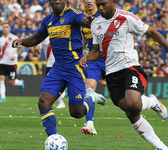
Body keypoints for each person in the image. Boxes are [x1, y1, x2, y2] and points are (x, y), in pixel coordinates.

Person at [79, 0, 168, 149]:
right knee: (131, 112)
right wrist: (86, 57)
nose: (101, 8)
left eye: (104, 4)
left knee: (133, 103)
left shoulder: (127, 17)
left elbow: (152, 32)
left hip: (130, 67)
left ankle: (152, 102)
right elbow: (97, 52)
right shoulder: (95, 24)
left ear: (112, 2)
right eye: (99, 5)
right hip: (111, 74)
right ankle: (161, 147)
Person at [12, 0, 106, 137]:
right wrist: (22, 41)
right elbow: (36, 38)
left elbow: (83, 20)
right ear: (50, 1)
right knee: (43, 101)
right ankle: (53, 138)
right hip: (58, 68)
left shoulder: (73, 14)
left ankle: (90, 98)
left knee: (76, 113)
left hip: (74, 67)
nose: (57, 1)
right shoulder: (48, 19)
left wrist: (88, 20)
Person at [81, 0, 106, 135]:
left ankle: (149, 102)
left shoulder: (103, 14)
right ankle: (90, 124)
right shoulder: (82, 18)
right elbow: (84, 37)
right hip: (93, 58)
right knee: (88, 88)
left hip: (110, 58)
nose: (89, 1)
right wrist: (82, 52)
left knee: (125, 98)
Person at [0, 22, 24, 103]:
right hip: (2, 62)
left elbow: (22, 47)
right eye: (4, 27)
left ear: (10, 28)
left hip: (12, 63)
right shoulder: (1, 39)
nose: (5, 29)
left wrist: (16, 55)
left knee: (12, 82)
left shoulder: (14, 38)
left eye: (6, 27)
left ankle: (20, 83)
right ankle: (3, 97)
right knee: (1, 79)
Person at [41, 36, 66, 109]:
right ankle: (61, 102)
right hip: (49, 64)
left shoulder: (59, 35)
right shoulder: (44, 38)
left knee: (58, 81)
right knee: (50, 85)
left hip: (59, 63)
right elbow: (38, 49)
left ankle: (64, 89)